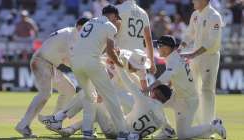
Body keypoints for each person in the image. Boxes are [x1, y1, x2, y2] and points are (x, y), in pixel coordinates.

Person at [39, 50, 175, 139]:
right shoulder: (161, 117)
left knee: (90, 96)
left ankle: (61, 118)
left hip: (118, 124)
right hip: (127, 117)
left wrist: (118, 67)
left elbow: (130, 85)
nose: (139, 70)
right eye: (136, 67)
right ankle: (71, 128)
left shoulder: (141, 88)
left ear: (156, 93)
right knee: (99, 103)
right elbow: (167, 130)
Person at [15, 17, 90, 138]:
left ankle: (54, 120)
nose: (88, 32)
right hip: (41, 61)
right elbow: (73, 62)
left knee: (69, 89)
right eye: (86, 28)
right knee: (45, 93)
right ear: (80, 27)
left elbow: (66, 60)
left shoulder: (71, 35)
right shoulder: (73, 36)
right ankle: (23, 125)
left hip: (50, 65)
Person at [67, 5, 129, 139]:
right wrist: (120, 64)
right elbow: (110, 51)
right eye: (116, 18)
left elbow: (88, 45)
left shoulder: (90, 22)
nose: (116, 21)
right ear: (113, 15)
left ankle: (87, 133)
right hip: (91, 62)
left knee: (90, 98)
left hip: (75, 62)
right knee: (111, 98)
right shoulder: (110, 26)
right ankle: (123, 132)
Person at [149, 35, 226, 139]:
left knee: (183, 135)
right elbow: (176, 75)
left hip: (188, 101)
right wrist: (170, 86)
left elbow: (166, 76)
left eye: (159, 45)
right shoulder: (174, 56)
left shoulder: (173, 60)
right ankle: (167, 130)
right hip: (179, 96)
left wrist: (149, 88)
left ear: (167, 48)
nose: (157, 48)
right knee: (154, 103)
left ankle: (213, 126)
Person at [179, 0, 223, 128]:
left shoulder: (214, 16)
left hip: (209, 57)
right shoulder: (195, 14)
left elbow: (211, 41)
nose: (193, 1)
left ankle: (208, 125)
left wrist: (192, 54)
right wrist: (180, 48)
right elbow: (189, 34)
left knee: (207, 90)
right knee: (193, 90)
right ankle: (197, 124)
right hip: (195, 57)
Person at [114, 0, 157, 91]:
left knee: (115, 89)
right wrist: (152, 62)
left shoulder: (117, 9)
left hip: (121, 54)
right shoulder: (143, 13)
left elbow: (110, 33)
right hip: (138, 57)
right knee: (141, 89)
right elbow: (148, 39)